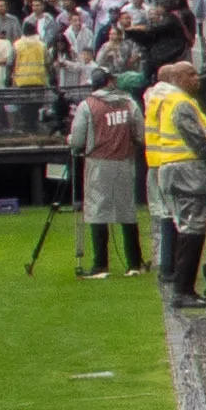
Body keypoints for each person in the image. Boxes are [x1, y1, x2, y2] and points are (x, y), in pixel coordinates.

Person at [144, 62, 206, 312]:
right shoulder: (180, 103)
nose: (197, 78)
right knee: (193, 229)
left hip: (169, 167)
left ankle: (181, 284)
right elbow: (197, 140)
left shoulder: (164, 100)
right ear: (177, 78)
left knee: (183, 227)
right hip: (186, 170)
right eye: (191, 74)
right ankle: (183, 289)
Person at [68, 66, 146, 278]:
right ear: (110, 81)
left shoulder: (88, 105)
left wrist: (74, 143)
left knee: (97, 210)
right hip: (125, 161)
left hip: (98, 162)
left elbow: (77, 140)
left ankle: (100, 264)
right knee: (126, 210)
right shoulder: (129, 103)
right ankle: (134, 263)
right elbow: (140, 134)